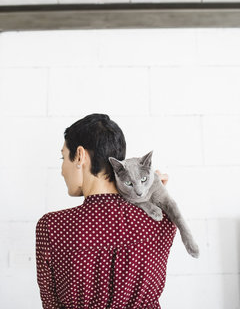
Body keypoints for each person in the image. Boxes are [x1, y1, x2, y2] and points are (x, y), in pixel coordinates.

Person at [35, 113, 176, 309]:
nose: (61, 170)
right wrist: (154, 194)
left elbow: (51, 304)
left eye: (63, 157)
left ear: (80, 156)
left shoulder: (52, 226)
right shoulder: (162, 219)